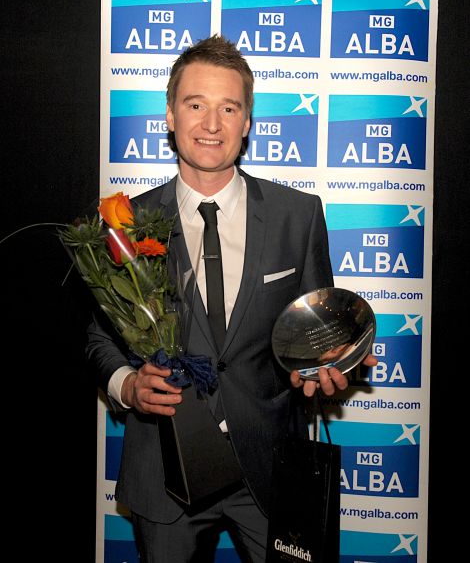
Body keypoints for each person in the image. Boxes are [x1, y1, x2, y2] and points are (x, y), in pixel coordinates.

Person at [87, 35, 377, 562]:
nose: (212, 124)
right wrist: (126, 385)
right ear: (170, 116)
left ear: (247, 123)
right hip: (165, 472)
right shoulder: (124, 224)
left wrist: (332, 366)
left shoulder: (299, 214)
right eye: (195, 105)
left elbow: (318, 332)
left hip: (269, 470)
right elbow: (97, 337)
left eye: (229, 107)